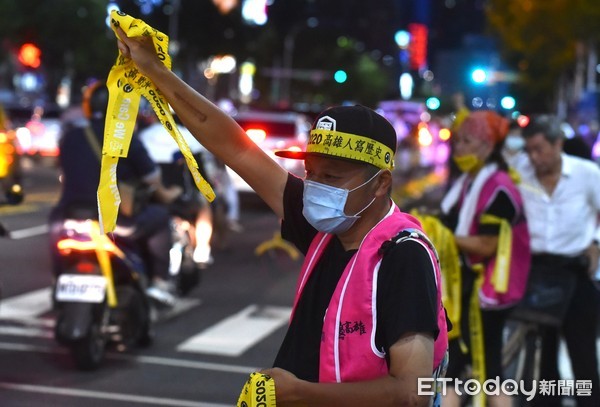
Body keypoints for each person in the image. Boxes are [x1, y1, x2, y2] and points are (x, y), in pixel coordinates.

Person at [116, 25, 448, 406]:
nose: (316, 188)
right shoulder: (324, 227)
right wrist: (154, 70)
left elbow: (412, 393)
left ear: (380, 184)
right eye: (312, 173)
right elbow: (234, 147)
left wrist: (300, 394)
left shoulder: (403, 257)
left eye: (333, 178)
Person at [49, 80, 181, 305]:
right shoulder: (125, 136)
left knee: (54, 229)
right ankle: (160, 283)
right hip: (114, 220)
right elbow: (152, 177)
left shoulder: (69, 137)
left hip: (69, 216)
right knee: (160, 218)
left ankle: (57, 280)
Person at [439, 110, 531, 407]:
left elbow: (487, 244)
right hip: (467, 286)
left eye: (466, 141)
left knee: (485, 368)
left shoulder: (499, 187)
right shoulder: (470, 181)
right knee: (462, 365)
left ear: (487, 145)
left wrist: (440, 237)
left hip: (486, 291)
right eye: (458, 140)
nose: (458, 148)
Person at [519, 114, 600, 407]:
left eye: (539, 149)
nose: (533, 157)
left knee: (583, 356)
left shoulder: (586, 174)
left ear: (558, 144)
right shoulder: (521, 172)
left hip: (575, 273)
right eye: (529, 150)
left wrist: (596, 242)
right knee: (542, 360)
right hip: (537, 275)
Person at [138, 111, 216, 267]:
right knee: (204, 205)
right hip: (180, 196)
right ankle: (202, 250)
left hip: (150, 196)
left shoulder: (143, 136)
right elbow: (202, 173)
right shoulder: (190, 138)